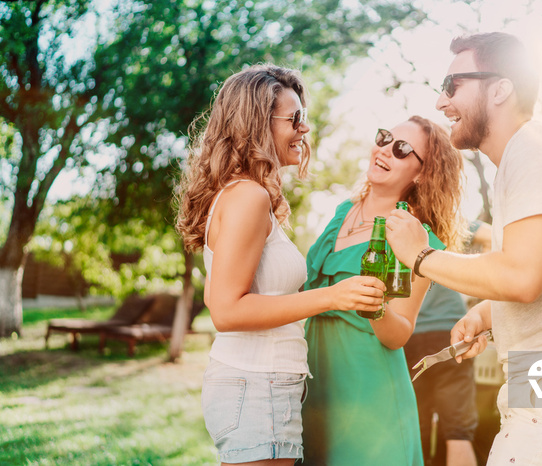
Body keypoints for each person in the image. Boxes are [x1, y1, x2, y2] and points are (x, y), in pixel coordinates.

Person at [386, 32, 542, 465]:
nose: (442, 103)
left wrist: (421, 257)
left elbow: (522, 278)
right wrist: (487, 313)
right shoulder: (521, 161)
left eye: (452, 87)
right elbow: (539, 273)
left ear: (500, 88)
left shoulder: (534, 150)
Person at [175, 64, 386, 466]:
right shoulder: (247, 197)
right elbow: (225, 309)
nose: (304, 129)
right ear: (256, 124)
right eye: (295, 119)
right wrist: (333, 296)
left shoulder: (244, 195)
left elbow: (215, 293)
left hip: (258, 385)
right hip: (257, 386)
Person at [302, 116, 465, 465]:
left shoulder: (416, 238)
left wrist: (375, 305)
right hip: (317, 382)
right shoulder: (343, 211)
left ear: (422, 173)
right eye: (384, 138)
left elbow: (400, 333)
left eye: (402, 149)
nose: (386, 150)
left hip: (369, 392)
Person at [403, 220, 491, 466]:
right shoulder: (450, 222)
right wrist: (477, 286)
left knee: (414, 431)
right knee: (458, 432)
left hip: (407, 334)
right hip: (450, 333)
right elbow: (495, 237)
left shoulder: (397, 226)